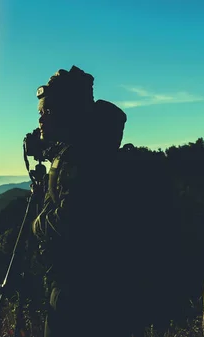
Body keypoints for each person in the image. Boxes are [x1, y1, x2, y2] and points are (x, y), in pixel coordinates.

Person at [30, 66, 132, 337]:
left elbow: (73, 220)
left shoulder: (80, 157)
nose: (40, 121)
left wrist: (38, 225)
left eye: (46, 113)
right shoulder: (91, 148)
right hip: (104, 286)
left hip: (77, 288)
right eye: (40, 113)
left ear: (65, 114)